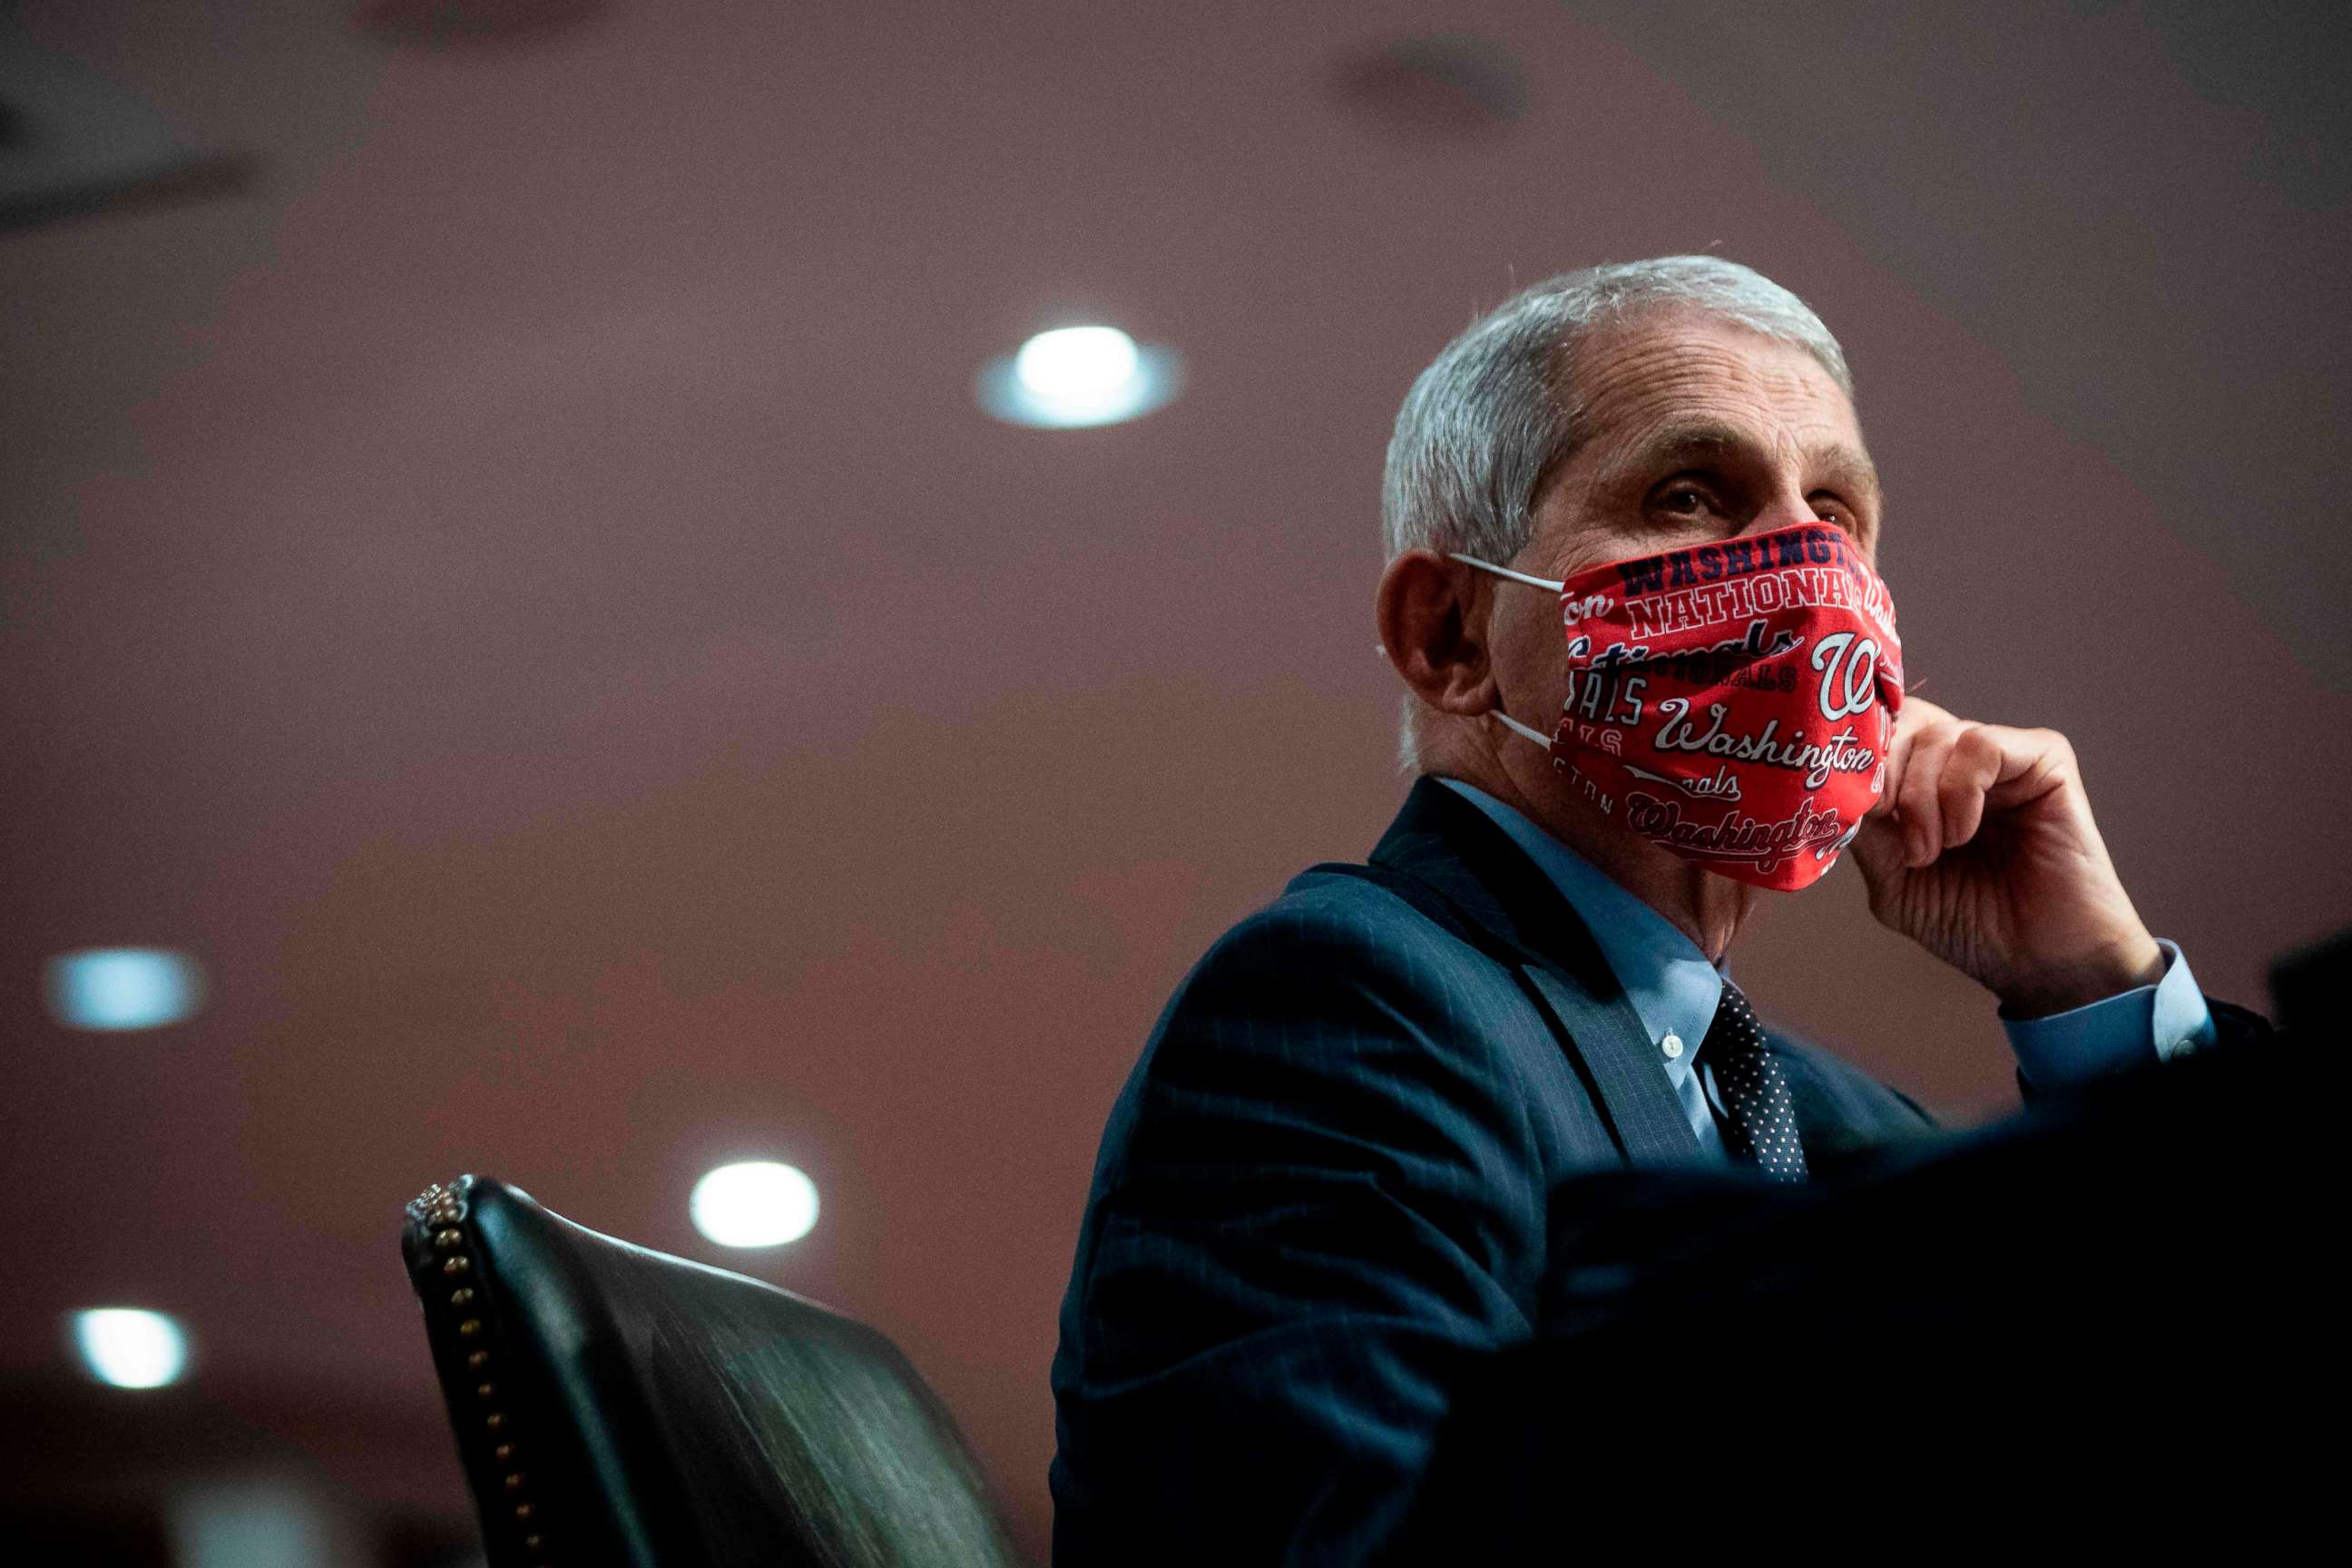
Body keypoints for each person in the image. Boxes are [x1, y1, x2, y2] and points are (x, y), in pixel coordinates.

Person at [1046, 258, 2282, 1563]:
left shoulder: (1855, 1127)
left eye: (1837, 517)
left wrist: (2097, 997)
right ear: (1452, 635)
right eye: (1689, 495)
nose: (1805, 575)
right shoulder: (1344, 1003)